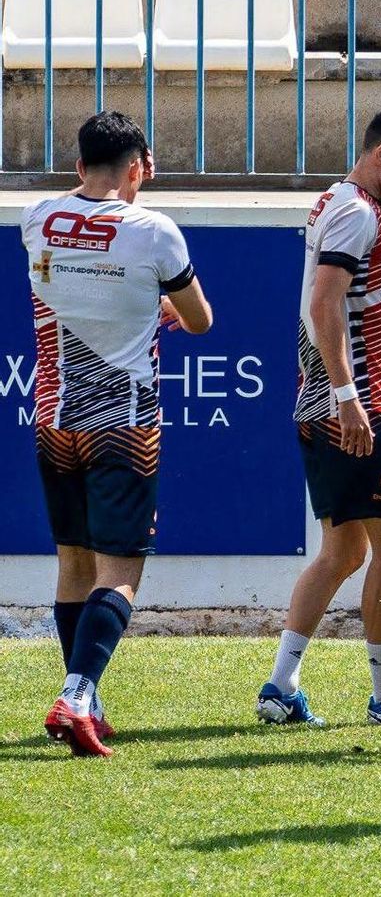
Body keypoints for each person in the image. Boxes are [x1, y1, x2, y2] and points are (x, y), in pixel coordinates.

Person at [29, 111, 214, 757]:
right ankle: (77, 693)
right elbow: (199, 319)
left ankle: (87, 698)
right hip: (123, 423)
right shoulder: (154, 231)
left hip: (52, 419)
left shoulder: (38, 220)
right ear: (140, 169)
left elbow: (73, 284)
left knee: (73, 564)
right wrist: (157, 303)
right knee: (120, 571)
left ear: (79, 166)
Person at [256, 104, 381, 728]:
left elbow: (338, 305)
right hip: (350, 412)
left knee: (343, 552)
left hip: (337, 404)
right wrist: (349, 395)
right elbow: (324, 302)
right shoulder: (356, 213)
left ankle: (281, 686)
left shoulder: (337, 203)